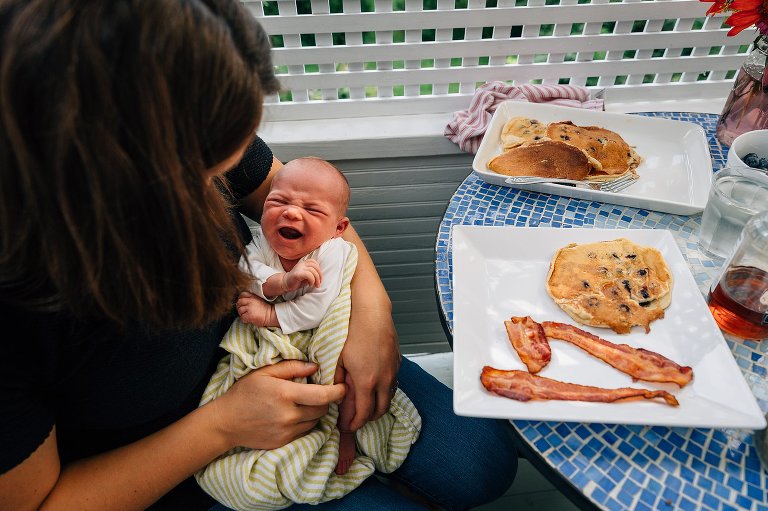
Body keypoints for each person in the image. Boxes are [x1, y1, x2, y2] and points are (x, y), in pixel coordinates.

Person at [0, 1, 518, 510]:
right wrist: (223, 425)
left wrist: (372, 313)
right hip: (167, 464)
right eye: (200, 176)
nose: (219, 188)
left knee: (485, 466)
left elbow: (307, 205)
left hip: (284, 342)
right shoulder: (23, 299)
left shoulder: (192, 105)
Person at [195, 157, 421, 510]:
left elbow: (317, 310)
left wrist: (270, 313)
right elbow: (247, 273)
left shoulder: (331, 253)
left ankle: (346, 434)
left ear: (338, 227)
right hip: (275, 351)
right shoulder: (262, 245)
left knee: (339, 380)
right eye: (278, 202)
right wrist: (279, 282)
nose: (291, 214)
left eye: (312, 210)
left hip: (319, 331)